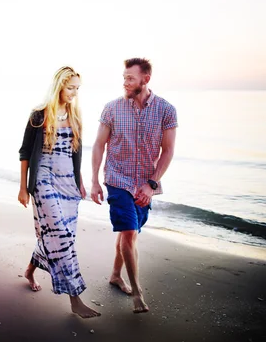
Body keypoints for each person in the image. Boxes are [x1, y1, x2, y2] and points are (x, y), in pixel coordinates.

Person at [90, 57, 177, 314]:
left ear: (145, 79)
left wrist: (151, 185)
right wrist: (94, 181)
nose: (125, 82)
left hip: (145, 185)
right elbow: (98, 145)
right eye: (124, 77)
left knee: (131, 231)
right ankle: (138, 293)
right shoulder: (112, 108)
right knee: (128, 232)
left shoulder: (166, 109)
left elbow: (168, 150)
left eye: (130, 78)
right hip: (117, 179)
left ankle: (116, 275)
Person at [17, 66, 100, 319]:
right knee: (61, 237)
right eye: (70, 87)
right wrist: (23, 187)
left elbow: (77, 154)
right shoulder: (39, 116)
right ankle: (75, 299)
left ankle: (30, 270)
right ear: (59, 86)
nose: (74, 93)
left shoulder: (75, 116)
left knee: (58, 236)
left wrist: (81, 183)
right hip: (43, 181)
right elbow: (24, 153)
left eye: (77, 88)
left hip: (68, 184)